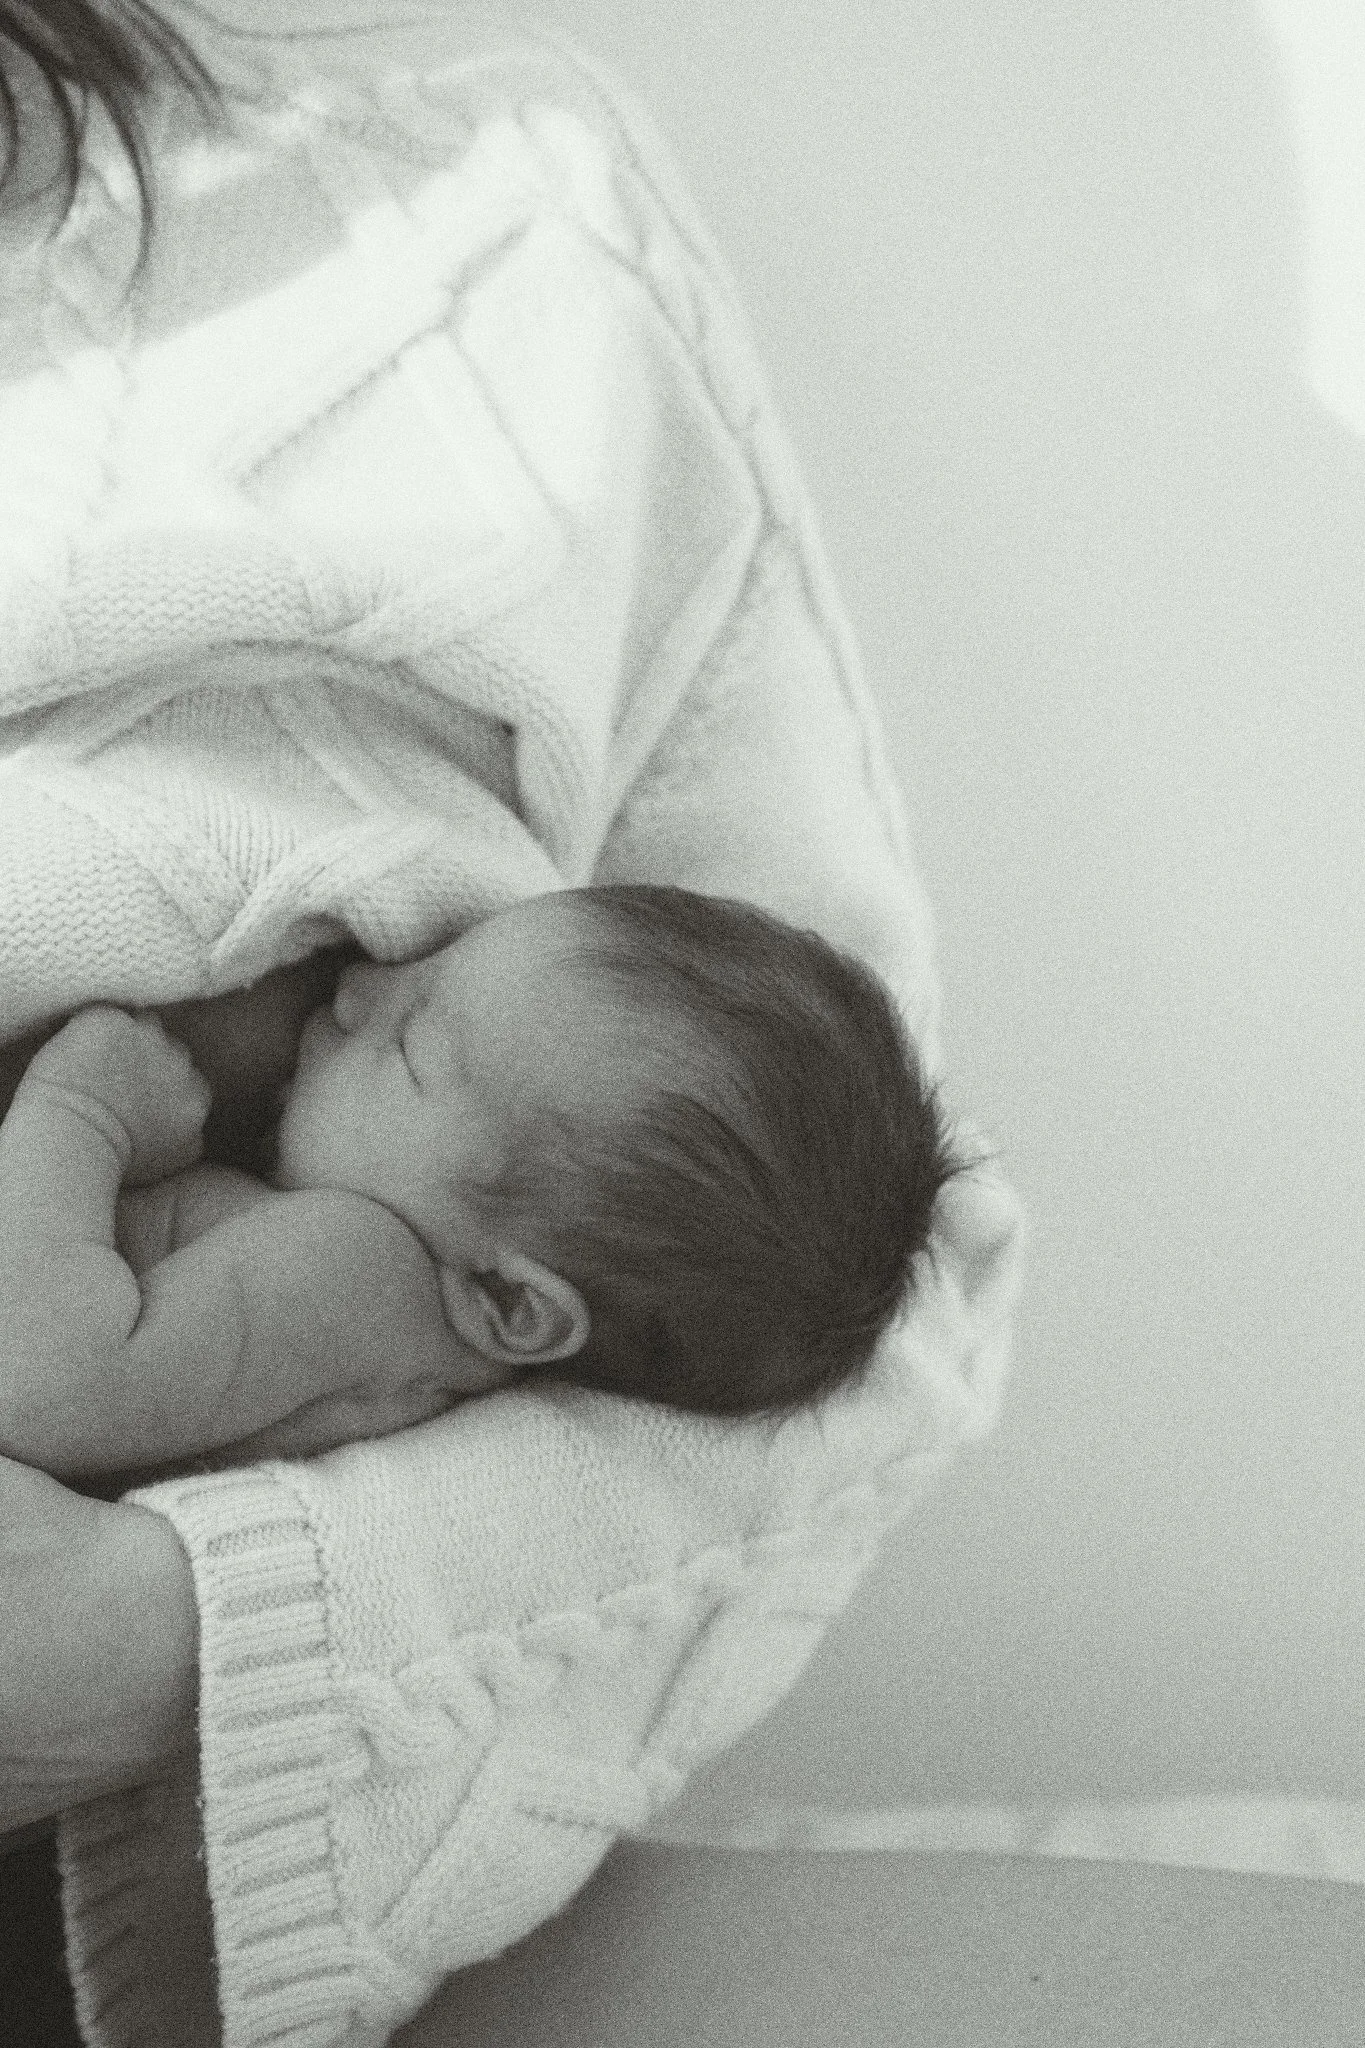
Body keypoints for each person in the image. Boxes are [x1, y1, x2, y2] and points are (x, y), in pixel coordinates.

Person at [0, 5, 1023, 2043]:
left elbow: (867, 1322)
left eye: (424, 1034)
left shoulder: (495, 232)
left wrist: (159, 1639)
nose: (367, 992)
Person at [0, 883, 961, 1480]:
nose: (357, 988)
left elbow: (45, 1386)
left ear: (507, 1296)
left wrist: (83, 1115)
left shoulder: (355, 1270)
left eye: (411, 1040)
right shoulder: (407, 1305)